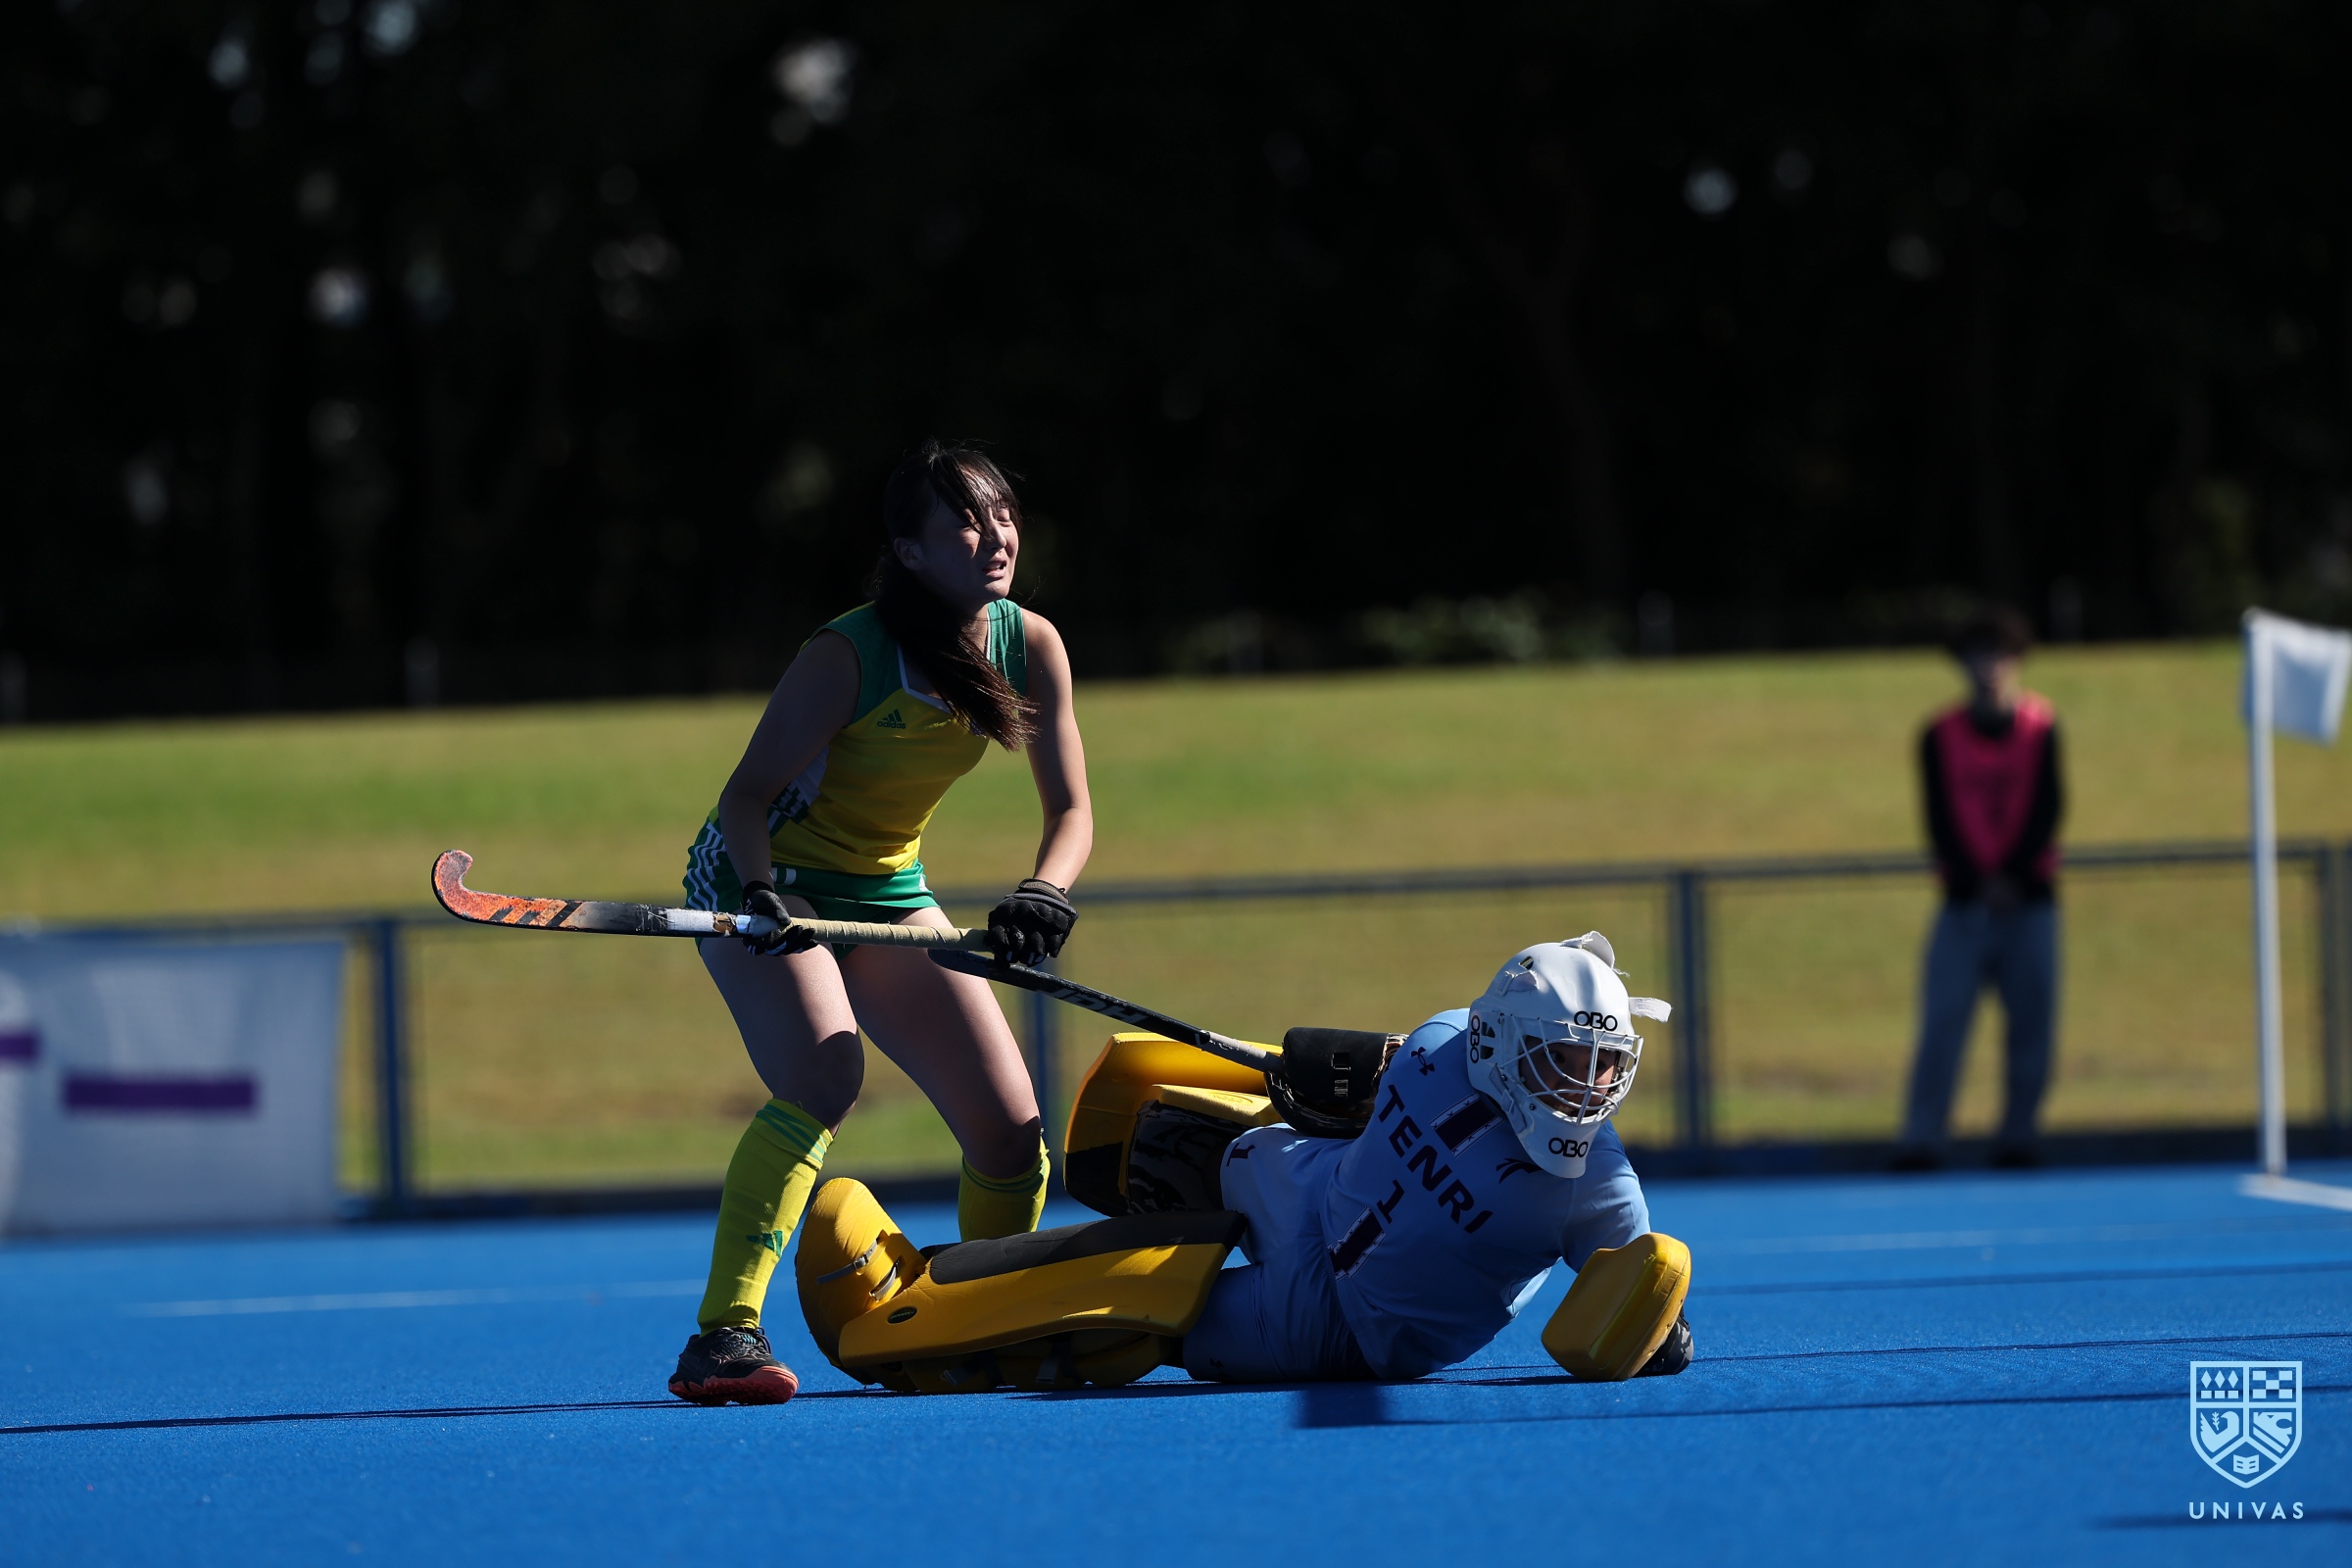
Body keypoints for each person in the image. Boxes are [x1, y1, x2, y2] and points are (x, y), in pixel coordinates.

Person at [666, 440, 1094, 1405]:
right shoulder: (847, 654)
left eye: (1003, 516)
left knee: (1010, 1132)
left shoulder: (1031, 644)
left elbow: (1071, 809)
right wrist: (762, 896)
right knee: (827, 1073)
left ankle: (984, 1320)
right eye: (966, 525)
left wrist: (1045, 890)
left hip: (887, 891)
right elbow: (745, 797)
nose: (997, 538)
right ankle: (723, 1335)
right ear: (909, 551)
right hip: (768, 879)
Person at [798, 934, 1695, 1392]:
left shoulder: (1595, 1183)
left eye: (1602, 1065)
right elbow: (1339, 1084)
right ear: (1497, 1039)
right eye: (1562, 1059)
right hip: (1313, 1191)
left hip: (1343, 1326)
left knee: (1134, 1309)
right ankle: (1184, 1195)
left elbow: (1630, 1297)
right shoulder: (1438, 1044)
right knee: (1193, 1130)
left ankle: (910, 1311)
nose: (1586, 1086)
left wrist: (1659, 1333)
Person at [1894, 607, 2065, 1171]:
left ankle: (2020, 1135)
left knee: (2032, 1027)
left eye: (2001, 655)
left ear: (2017, 662)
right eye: (1979, 655)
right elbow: (1938, 817)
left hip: (2030, 903)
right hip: (1964, 903)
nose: (1990, 667)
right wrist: (1978, 882)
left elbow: (2048, 808)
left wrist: (2012, 878)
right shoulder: (1939, 733)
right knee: (1942, 1024)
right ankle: (1923, 1139)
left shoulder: (2041, 725)